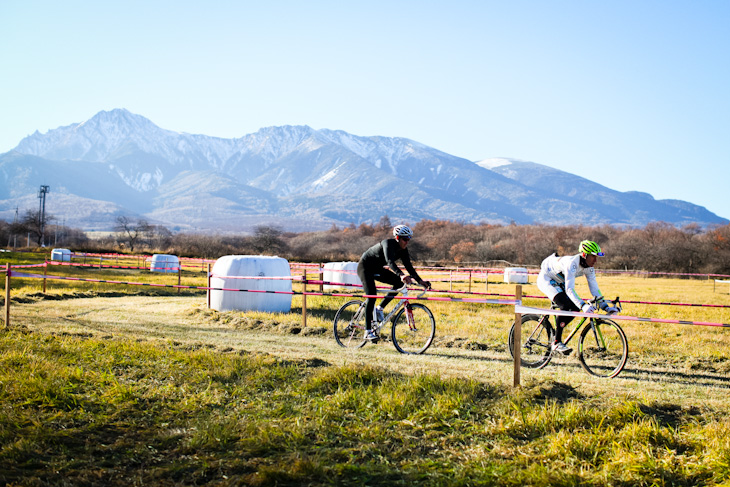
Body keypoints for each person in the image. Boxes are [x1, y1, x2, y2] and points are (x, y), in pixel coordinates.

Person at [536, 240, 618, 355]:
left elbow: (594, 289)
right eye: (593, 257)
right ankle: (556, 341)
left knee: (575, 308)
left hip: (560, 280)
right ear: (584, 255)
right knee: (565, 305)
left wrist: (605, 306)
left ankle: (557, 332)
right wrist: (583, 304)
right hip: (547, 279)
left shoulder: (589, 267)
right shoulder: (572, 263)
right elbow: (570, 289)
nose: (595, 260)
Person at [357, 225, 431, 340]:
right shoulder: (388, 244)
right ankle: (367, 331)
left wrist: (421, 281)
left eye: (409, 239)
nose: (407, 242)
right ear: (397, 237)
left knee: (399, 284)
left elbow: (409, 267)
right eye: (405, 239)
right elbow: (390, 262)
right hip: (365, 267)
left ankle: (380, 308)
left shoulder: (403, 250)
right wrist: (401, 275)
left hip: (377, 268)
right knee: (372, 295)